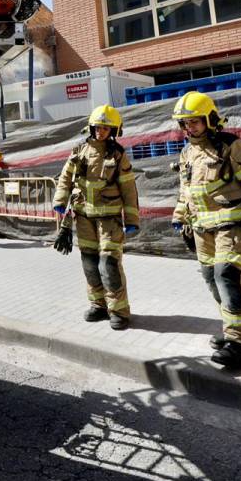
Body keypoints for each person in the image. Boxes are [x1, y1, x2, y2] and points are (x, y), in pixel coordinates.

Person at [171, 91, 241, 369]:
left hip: (233, 225)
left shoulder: (230, 146)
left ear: (210, 120)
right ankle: (238, 326)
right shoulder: (187, 152)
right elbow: (186, 190)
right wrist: (180, 215)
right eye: (185, 123)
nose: (190, 128)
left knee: (227, 275)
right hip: (203, 229)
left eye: (195, 122)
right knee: (212, 279)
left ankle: (239, 345)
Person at [51, 105, 140, 330]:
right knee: (90, 263)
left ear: (114, 131)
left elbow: (129, 189)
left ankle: (118, 310)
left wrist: (132, 220)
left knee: (109, 263)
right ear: (91, 127)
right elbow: (65, 177)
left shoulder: (118, 155)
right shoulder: (79, 150)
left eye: (106, 128)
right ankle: (98, 305)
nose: (101, 132)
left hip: (110, 220)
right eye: (97, 127)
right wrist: (60, 201)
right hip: (84, 218)